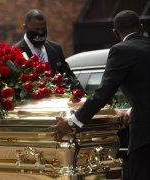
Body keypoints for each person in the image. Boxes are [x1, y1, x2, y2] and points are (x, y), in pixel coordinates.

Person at [52, 10, 150, 180]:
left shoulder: (121, 51)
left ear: (115, 32)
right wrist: (130, 111)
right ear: (141, 27)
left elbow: (103, 94)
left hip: (145, 137)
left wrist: (71, 122)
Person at [14, 9, 82, 90]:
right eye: (36, 29)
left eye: (43, 29)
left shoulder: (55, 49)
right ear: (25, 27)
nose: (40, 32)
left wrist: (83, 95)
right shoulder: (15, 52)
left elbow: (68, 76)